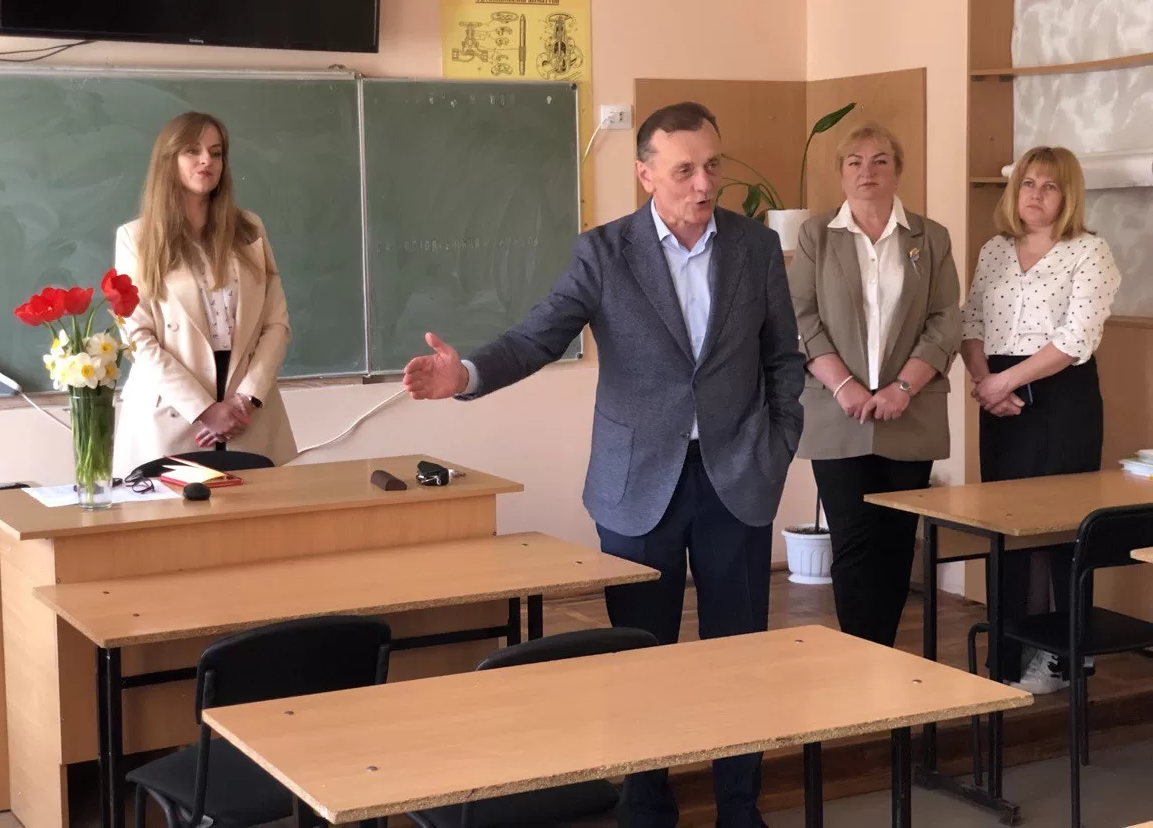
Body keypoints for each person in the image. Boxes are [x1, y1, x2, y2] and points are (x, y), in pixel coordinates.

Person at [401, 101, 805, 828]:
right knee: (640, 656)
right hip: (636, 483)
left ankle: (739, 807)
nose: (704, 184)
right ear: (646, 174)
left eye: (712, 166)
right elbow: (536, 337)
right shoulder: (604, 253)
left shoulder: (755, 247)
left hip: (737, 476)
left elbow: (782, 358)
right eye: (684, 170)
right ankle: (647, 804)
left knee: (739, 654)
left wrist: (776, 446)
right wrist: (466, 376)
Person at [788, 122, 960, 649]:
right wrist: (845, 386)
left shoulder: (930, 237)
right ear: (841, 174)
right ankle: (860, 655)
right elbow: (801, 316)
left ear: (898, 171)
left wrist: (902, 388)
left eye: (880, 160)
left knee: (897, 542)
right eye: (855, 162)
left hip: (911, 413)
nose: (867, 171)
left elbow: (945, 320)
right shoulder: (816, 235)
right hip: (836, 413)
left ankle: (883, 655)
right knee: (853, 542)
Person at [961, 145, 1120, 695]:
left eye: (1050, 185)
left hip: (1060, 397)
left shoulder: (1089, 251)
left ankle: (1065, 657)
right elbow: (971, 322)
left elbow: (1076, 339)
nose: (1036, 194)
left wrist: (1003, 382)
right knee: (1005, 527)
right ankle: (1008, 655)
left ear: (1067, 194)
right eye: (1028, 183)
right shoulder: (994, 250)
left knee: (1058, 529)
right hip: (1000, 400)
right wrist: (985, 381)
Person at [113, 111, 297, 475]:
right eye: (192, 151)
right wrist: (204, 409)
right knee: (173, 511)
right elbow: (137, 337)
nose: (206, 161)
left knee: (258, 508)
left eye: (216, 153)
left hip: (249, 413)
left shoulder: (250, 229)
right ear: (169, 160)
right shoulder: (136, 238)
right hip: (173, 413)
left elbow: (276, 323)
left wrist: (245, 400)